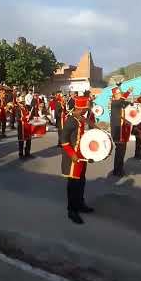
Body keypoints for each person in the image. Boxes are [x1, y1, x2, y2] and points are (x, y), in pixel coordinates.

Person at [61, 96, 95, 224]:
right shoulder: (70, 121)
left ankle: (80, 204)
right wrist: (72, 155)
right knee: (73, 185)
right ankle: (72, 210)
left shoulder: (80, 118)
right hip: (73, 159)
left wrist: (92, 154)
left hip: (82, 157)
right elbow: (63, 140)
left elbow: (88, 133)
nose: (86, 109)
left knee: (81, 182)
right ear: (79, 108)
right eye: (85, 108)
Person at [110, 86, 132, 176]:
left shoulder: (120, 103)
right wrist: (128, 92)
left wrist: (139, 99)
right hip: (117, 132)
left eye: (120, 93)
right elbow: (122, 101)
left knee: (122, 151)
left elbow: (130, 103)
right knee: (119, 151)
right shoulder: (115, 103)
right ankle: (117, 170)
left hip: (122, 132)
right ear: (114, 95)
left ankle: (119, 169)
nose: (120, 95)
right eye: (119, 94)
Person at [15, 95, 33, 159]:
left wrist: (30, 117)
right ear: (19, 102)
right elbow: (18, 118)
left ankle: (27, 152)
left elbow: (30, 114)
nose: (23, 103)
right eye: (21, 102)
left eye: (23, 102)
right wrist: (25, 117)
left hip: (27, 125)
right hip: (21, 126)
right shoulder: (17, 109)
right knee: (21, 141)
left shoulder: (26, 107)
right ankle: (21, 153)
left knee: (29, 140)